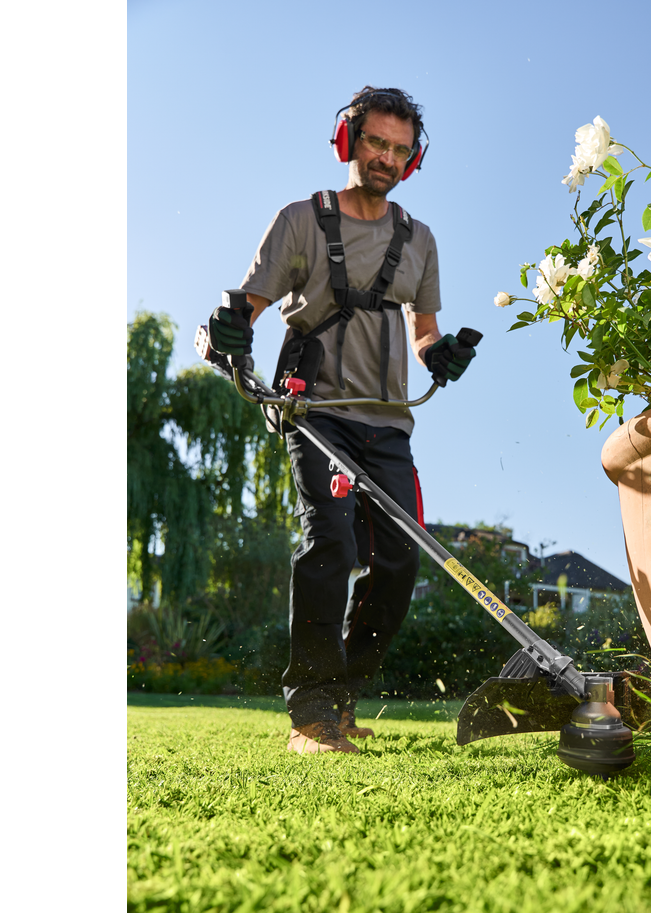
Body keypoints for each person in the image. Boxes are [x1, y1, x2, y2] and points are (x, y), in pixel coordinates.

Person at [206, 87, 476, 755]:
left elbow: (423, 331)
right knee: (331, 542)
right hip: (317, 412)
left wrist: (439, 354)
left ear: (413, 160)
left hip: (390, 426)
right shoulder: (301, 220)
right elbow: (245, 309)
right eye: (376, 142)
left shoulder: (419, 239)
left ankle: (343, 695)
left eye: (400, 150)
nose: (387, 157)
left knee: (400, 563)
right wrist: (223, 335)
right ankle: (310, 715)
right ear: (348, 141)